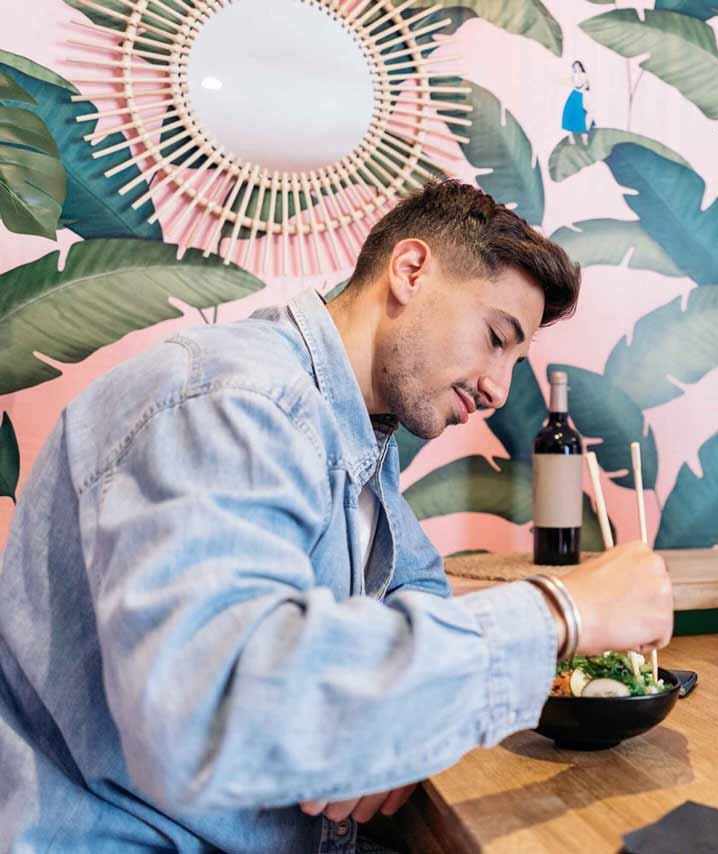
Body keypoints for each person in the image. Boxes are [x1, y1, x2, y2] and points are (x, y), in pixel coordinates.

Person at [0, 180, 675, 852]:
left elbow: (418, 591)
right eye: (497, 337)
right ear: (411, 270)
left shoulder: (359, 436)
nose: (500, 386)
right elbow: (213, 710)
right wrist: (561, 610)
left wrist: (388, 731)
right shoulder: (233, 403)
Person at [560, 60, 593, 145]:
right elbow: (573, 84)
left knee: (583, 115)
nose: (576, 68)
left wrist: (581, 88)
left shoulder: (584, 75)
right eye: (574, 67)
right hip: (575, 94)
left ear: (580, 66)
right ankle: (571, 136)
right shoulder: (574, 76)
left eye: (577, 66)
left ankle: (584, 137)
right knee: (570, 114)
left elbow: (586, 86)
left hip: (582, 95)